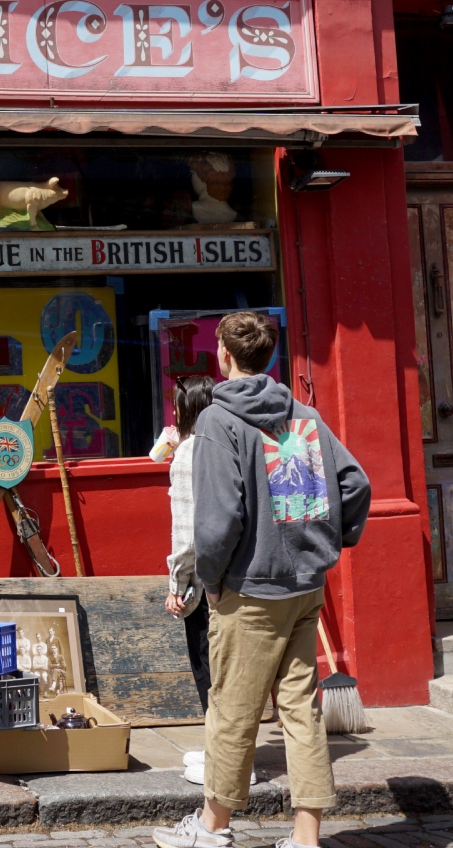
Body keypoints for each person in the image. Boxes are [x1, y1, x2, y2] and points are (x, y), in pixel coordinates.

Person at [154, 312, 371, 848]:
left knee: (231, 710)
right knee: (301, 711)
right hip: (302, 587)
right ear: (269, 357)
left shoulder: (217, 422)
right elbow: (355, 483)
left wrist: (211, 579)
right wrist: (323, 541)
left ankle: (212, 828)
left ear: (224, 356)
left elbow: (217, 522)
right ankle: (305, 836)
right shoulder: (302, 415)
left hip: (248, 589)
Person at [156, 375, 219, 785]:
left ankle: (222, 758)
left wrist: (177, 585)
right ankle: (227, 751)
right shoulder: (228, 445)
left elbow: (187, 532)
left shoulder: (187, 455)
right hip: (243, 577)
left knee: (206, 667)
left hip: (205, 580)